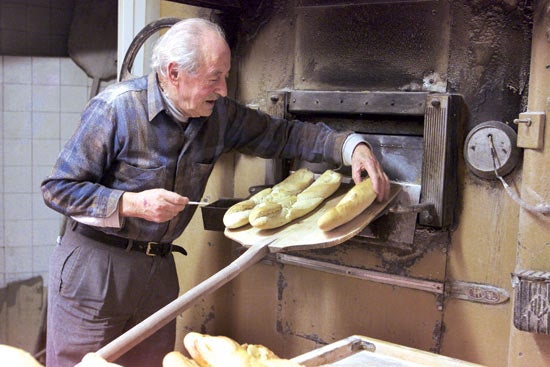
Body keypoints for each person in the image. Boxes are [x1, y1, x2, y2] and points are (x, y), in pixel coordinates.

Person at [41, 18, 390, 367]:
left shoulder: (218, 116)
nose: (223, 90)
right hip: (95, 268)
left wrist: (350, 147)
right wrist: (132, 203)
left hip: (158, 270)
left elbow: (284, 135)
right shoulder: (116, 108)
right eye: (214, 78)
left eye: (224, 76)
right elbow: (58, 190)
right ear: (174, 73)